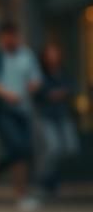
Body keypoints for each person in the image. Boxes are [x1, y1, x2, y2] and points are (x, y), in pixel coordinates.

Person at [0, 22, 44, 210]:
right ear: (1, 37)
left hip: (24, 110)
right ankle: (21, 194)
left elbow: (36, 78)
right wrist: (7, 94)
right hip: (2, 110)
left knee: (21, 150)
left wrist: (32, 86)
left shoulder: (26, 54)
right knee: (18, 147)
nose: (11, 40)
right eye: (7, 36)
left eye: (13, 35)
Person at [34, 40, 80, 197]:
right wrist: (51, 94)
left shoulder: (63, 72)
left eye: (55, 54)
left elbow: (72, 87)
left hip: (62, 115)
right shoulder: (40, 73)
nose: (53, 57)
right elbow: (38, 92)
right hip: (46, 116)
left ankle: (51, 178)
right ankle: (45, 181)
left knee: (69, 147)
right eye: (50, 54)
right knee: (52, 148)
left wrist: (63, 93)